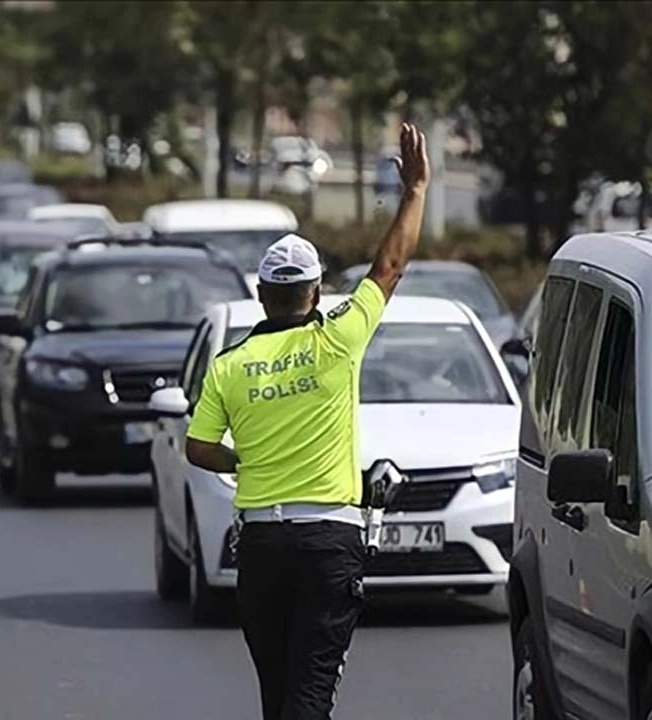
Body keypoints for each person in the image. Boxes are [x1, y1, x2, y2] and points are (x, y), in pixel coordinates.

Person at [185, 123, 431, 719]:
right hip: (328, 543)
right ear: (316, 292)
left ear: (264, 295)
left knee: (280, 697)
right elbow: (390, 265)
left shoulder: (230, 365)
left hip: (263, 546)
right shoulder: (339, 340)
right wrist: (416, 190)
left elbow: (198, 448)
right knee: (310, 696)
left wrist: (245, 460)